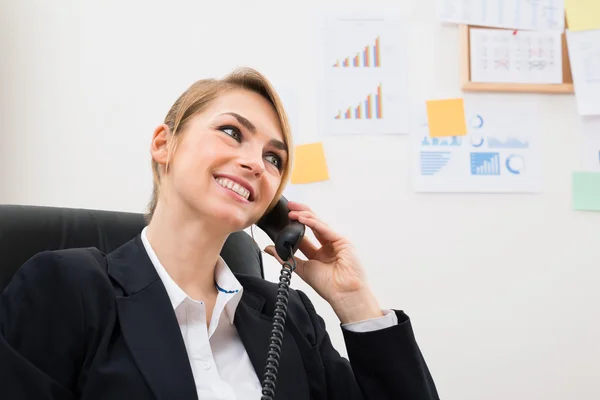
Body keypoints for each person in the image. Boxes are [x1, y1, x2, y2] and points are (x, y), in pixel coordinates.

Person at [0, 67, 439, 400]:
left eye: (274, 159)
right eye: (232, 133)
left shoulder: (288, 314)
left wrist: (353, 300)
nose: (255, 164)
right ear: (163, 144)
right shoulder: (66, 286)